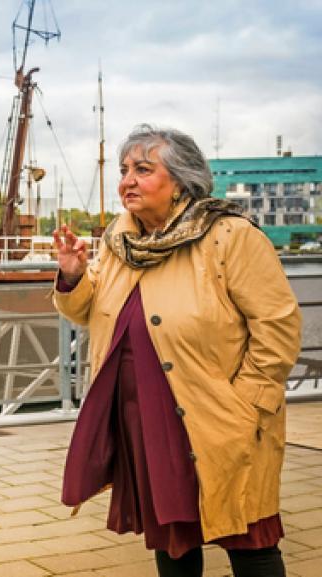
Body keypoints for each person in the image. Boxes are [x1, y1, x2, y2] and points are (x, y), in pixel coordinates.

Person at [53, 124, 301, 577]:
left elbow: (278, 327)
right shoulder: (120, 241)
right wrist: (72, 275)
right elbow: (89, 312)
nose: (127, 179)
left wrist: (248, 403)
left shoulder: (229, 237)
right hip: (145, 419)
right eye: (125, 169)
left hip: (218, 416)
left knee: (248, 535)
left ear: (182, 180)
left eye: (143, 170)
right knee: (172, 538)